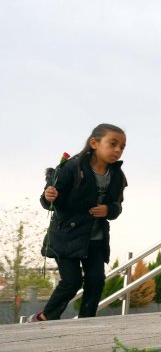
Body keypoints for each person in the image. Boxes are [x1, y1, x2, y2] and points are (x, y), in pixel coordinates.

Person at [27, 123, 128, 321]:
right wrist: (49, 196)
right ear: (94, 143)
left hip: (96, 238)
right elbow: (48, 201)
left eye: (122, 147)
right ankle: (45, 317)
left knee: (96, 281)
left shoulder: (117, 175)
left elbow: (117, 206)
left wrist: (109, 209)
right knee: (72, 282)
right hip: (67, 236)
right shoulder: (71, 167)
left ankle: (86, 322)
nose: (118, 150)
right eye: (113, 144)